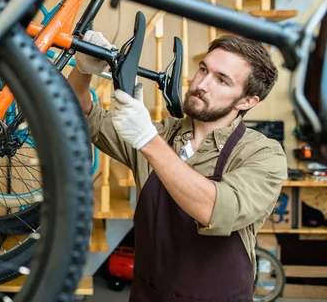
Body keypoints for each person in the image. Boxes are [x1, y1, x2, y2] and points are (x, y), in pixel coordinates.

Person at [68, 32, 288, 301]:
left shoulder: (262, 154)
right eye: (203, 70)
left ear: (246, 101)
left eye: (221, 80)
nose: (202, 84)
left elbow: (216, 210)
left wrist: (147, 140)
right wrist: (83, 71)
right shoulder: (164, 135)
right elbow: (83, 116)